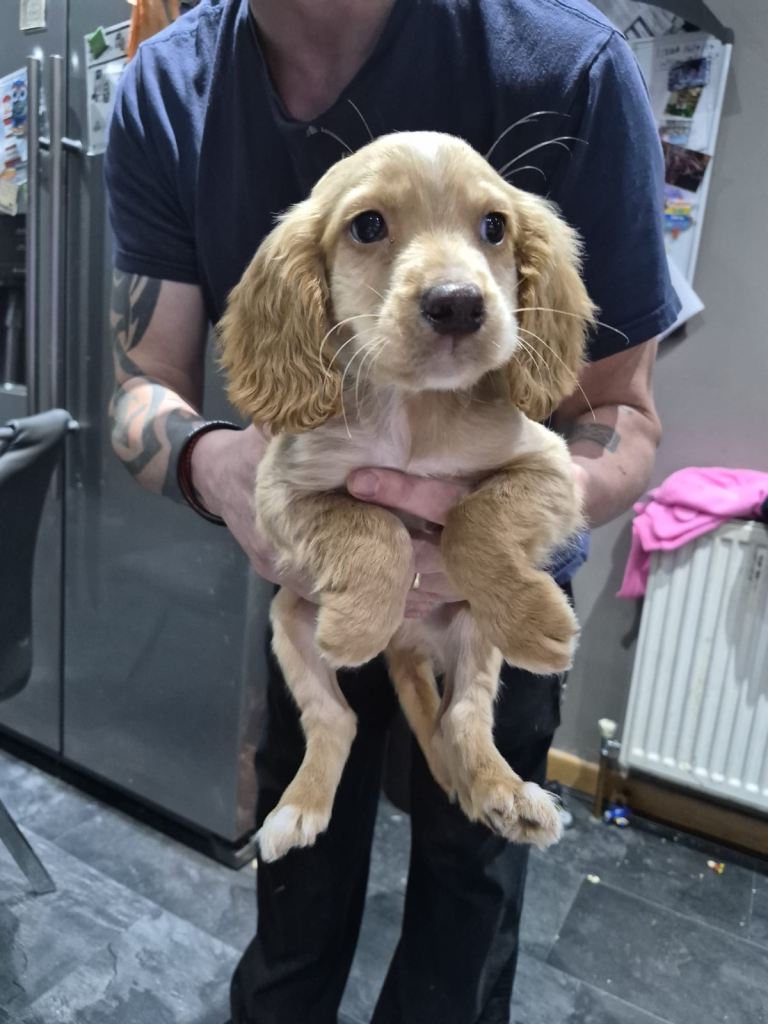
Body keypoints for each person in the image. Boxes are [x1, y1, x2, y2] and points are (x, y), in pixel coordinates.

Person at [104, 1, 680, 1021]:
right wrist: (222, 467)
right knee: (294, 903)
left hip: (489, 603)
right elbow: (142, 387)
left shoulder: (570, 69)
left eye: (490, 234)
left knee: (466, 916)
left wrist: (493, 536)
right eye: (370, 229)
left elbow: (620, 418)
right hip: (320, 569)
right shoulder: (165, 86)